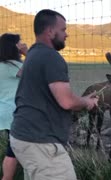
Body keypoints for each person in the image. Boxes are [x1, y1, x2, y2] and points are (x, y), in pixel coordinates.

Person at [10, 9, 98, 180]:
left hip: (23, 137)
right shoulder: (51, 57)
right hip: (41, 143)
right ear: (50, 31)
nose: (67, 35)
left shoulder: (33, 54)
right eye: (63, 30)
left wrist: (82, 99)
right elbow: (66, 102)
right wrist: (87, 103)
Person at [0, 33, 28, 180]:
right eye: (19, 42)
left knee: (14, 147)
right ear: (13, 46)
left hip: (4, 112)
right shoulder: (13, 66)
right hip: (14, 113)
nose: (22, 44)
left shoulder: (1, 65)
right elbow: (35, 72)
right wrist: (27, 53)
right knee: (14, 150)